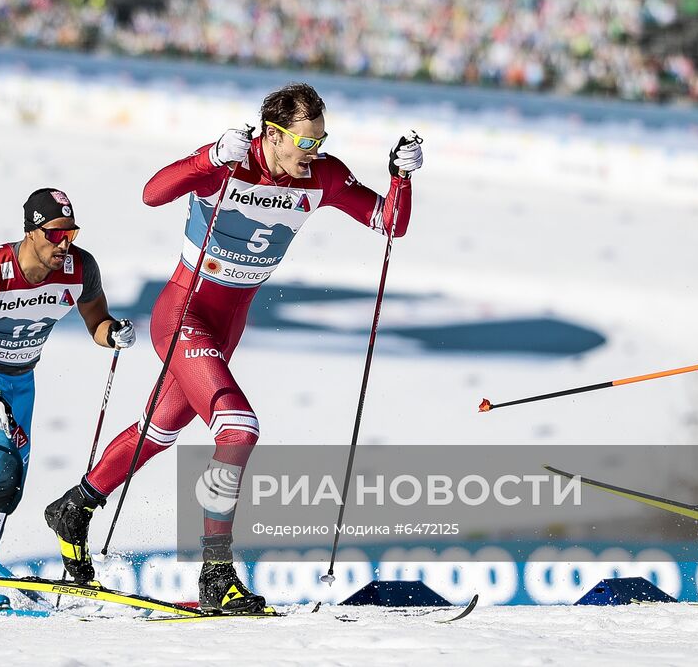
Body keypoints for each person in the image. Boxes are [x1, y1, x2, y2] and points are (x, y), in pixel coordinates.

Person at [45, 82, 423, 614]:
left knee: (158, 430)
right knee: (238, 429)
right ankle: (216, 573)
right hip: (182, 312)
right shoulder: (232, 161)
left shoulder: (324, 176)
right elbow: (152, 193)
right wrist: (207, 157)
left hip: (228, 323)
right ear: (273, 134)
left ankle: (75, 506)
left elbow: (390, 224)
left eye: (321, 141)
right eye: (305, 143)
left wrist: (401, 177)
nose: (313, 155)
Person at [0, 187, 137, 613]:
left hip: (21, 386)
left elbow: (96, 321)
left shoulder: (80, 268)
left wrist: (113, 333)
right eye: (55, 234)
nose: (64, 243)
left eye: (70, 233)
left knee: (5, 493)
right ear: (32, 231)